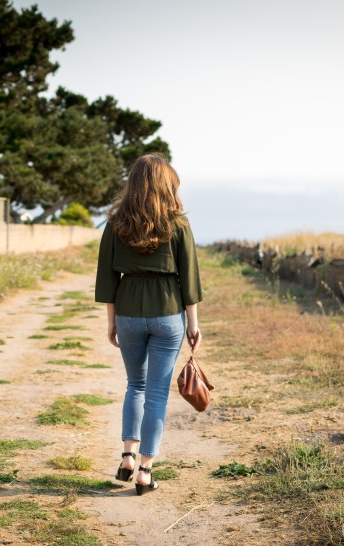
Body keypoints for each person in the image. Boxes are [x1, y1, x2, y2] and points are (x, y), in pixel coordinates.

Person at [95, 152, 203, 496]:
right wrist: (193, 324)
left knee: (134, 386)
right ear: (166, 184)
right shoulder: (179, 224)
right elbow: (190, 277)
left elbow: (106, 276)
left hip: (127, 310)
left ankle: (127, 456)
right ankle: (144, 471)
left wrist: (111, 322)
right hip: (169, 312)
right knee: (156, 393)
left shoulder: (115, 223)